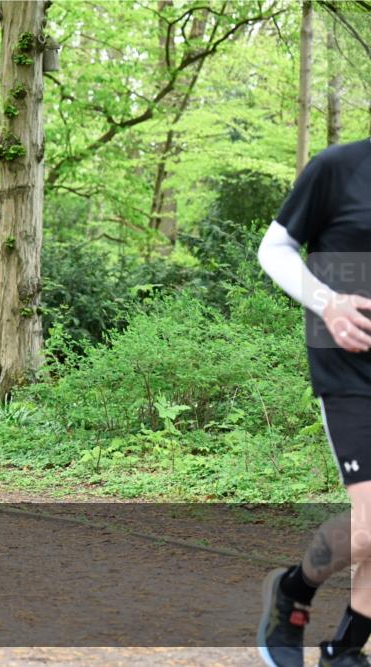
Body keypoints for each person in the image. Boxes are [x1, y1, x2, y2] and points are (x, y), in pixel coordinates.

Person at [256, 138, 371, 667]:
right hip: (350, 371)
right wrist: (327, 302)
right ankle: (292, 593)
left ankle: (345, 650)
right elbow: (275, 248)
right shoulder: (338, 168)